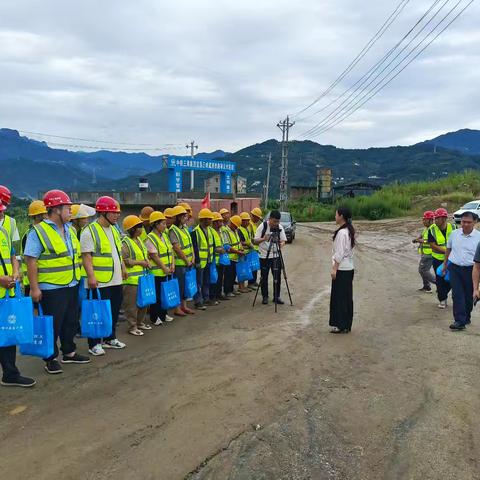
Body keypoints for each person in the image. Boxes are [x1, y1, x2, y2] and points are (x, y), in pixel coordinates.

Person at [25, 190, 90, 374]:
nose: (71, 212)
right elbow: (31, 260)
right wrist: (34, 288)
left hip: (71, 283)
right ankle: (50, 358)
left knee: (70, 321)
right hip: (52, 287)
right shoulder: (38, 232)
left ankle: (69, 352)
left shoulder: (70, 229)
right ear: (56, 210)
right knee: (53, 324)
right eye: (68, 209)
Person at [80, 196, 127, 356]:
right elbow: (86, 256)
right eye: (113, 212)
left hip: (115, 279)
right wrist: (91, 277)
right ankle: (93, 343)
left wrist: (123, 268)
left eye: (117, 212)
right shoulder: (89, 231)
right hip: (99, 281)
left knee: (113, 310)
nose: (117, 215)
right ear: (103, 212)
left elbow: (117, 252)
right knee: (96, 312)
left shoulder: (114, 229)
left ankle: (110, 338)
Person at [0, 202, 36, 388]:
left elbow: (13, 256)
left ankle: (10, 374)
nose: (1, 216)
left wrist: (15, 272)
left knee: (7, 334)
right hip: (2, 286)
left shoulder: (3, 232)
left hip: (7, 292)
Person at [443, 211, 480, 330]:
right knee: (457, 294)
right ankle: (459, 321)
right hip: (455, 268)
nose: (465, 224)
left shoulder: (479, 237)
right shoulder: (454, 234)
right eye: (463, 222)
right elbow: (448, 250)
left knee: (469, 296)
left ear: (475, 222)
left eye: (468, 222)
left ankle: (466, 316)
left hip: (471, 270)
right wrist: (445, 266)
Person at [121, 215, 152, 336]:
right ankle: (132, 326)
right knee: (131, 306)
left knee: (143, 302)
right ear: (132, 228)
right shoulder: (125, 242)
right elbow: (124, 260)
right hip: (131, 280)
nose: (142, 229)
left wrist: (146, 260)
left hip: (142, 278)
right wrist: (141, 262)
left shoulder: (139, 240)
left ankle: (140, 323)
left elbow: (143, 255)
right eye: (139, 226)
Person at [329, 207, 355, 333]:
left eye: (336, 214)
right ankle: (346, 324)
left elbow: (339, 253)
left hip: (342, 269)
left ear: (341, 216)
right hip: (349, 268)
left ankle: (339, 324)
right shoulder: (349, 231)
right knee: (346, 297)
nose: (335, 217)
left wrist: (334, 268)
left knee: (339, 297)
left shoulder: (342, 233)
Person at [146, 211, 175, 325]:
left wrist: (172, 265)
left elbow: (170, 250)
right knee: (157, 295)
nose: (164, 225)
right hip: (157, 272)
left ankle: (163, 314)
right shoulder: (150, 238)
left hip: (167, 270)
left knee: (164, 293)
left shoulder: (164, 236)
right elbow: (154, 256)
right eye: (162, 223)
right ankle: (155, 317)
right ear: (156, 224)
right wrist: (164, 268)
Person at [254, 210, 286, 305]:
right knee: (264, 277)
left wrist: (281, 244)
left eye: (278, 221)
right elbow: (255, 241)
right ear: (270, 219)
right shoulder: (262, 226)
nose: (276, 223)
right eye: (274, 221)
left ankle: (277, 297)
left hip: (276, 255)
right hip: (264, 256)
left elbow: (284, 240)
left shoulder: (279, 228)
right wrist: (264, 238)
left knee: (277, 277)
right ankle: (265, 296)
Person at [169, 205, 195, 315]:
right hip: (180, 263)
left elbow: (190, 244)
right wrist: (186, 260)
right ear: (178, 217)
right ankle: (177, 308)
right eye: (184, 216)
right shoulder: (173, 230)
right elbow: (176, 247)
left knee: (185, 285)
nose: (186, 217)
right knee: (179, 286)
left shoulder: (185, 229)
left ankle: (184, 306)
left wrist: (193, 257)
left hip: (188, 262)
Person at [429, 208, 455, 309]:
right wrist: (446, 251)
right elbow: (432, 245)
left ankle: (444, 295)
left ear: (444, 219)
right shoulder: (432, 229)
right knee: (440, 280)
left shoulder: (453, 227)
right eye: (435, 218)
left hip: (451, 259)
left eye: (437, 218)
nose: (435, 220)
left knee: (450, 279)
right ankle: (442, 299)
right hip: (437, 259)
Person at [21, 200, 48, 294]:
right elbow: (30, 261)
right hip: (31, 282)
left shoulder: (44, 232)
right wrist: (34, 287)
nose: (47, 216)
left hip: (43, 280)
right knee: (34, 308)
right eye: (44, 213)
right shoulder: (30, 234)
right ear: (37, 216)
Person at [191, 208, 214, 310]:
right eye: (209, 219)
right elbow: (195, 247)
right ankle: (198, 301)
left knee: (206, 281)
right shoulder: (195, 231)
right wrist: (197, 261)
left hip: (208, 260)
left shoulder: (209, 230)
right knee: (198, 282)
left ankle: (206, 298)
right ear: (203, 219)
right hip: (200, 262)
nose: (210, 221)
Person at [412, 211, 436, 293]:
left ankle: (439, 283)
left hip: (429, 253)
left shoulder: (433, 229)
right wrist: (417, 239)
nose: (423, 221)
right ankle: (426, 286)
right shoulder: (427, 228)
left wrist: (420, 240)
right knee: (423, 270)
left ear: (430, 220)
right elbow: (422, 235)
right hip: (425, 253)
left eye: (425, 220)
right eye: (423, 220)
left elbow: (429, 241)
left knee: (423, 270)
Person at [223, 215, 246, 298]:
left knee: (233, 275)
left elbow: (238, 242)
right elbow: (227, 246)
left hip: (236, 257)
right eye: (235, 226)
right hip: (229, 257)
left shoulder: (235, 230)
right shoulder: (226, 231)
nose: (236, 227)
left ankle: (231, 290)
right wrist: (238, 252)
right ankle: (227, 291)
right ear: (231, 223)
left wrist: (241, 249)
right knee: (228, 276)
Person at [209, 212, 226, 304]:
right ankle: (212, 296)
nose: (221, 223)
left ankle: (218, 294)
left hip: (221, 259)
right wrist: (218, 250)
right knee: (214, 279)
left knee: (220, 278)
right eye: (219, 221)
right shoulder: (211, 232)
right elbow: (211, 246)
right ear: (214, 222)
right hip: (214, 259)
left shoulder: (221, 231)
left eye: (221, 221)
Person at [238, 212, 254, 293]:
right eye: (246, 221)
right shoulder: (239, 229)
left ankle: (243, 286)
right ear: (241, 221)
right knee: (242, 270)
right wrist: (248, 244)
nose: (247, 222)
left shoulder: (246, 229)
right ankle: (241, 287)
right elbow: (240, 242)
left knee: (245, 269)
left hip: (247, 252)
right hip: (242, 253)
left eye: (248, 220)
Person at [248, 207, 262, 288]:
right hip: (252, 249)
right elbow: (250, 238)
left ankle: (254, 281)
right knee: (252, 266)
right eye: (257, 217)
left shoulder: (254, 225)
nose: (258, 219)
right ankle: (250, 283)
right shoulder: (249, 224)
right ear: (253, 216)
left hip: (256, 249)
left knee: (255, 266)